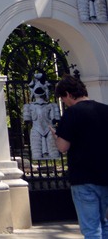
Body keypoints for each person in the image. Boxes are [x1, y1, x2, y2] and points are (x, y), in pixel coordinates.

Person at [52, 74, 108, 239]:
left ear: (68, 94)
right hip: (105, 176)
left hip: (83, 178)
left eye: (63, 98)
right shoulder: (105, 110)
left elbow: (63, 147)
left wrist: (56, 136)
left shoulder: (72, 114)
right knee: (104, 224)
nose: (64, 102)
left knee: (91, 228)